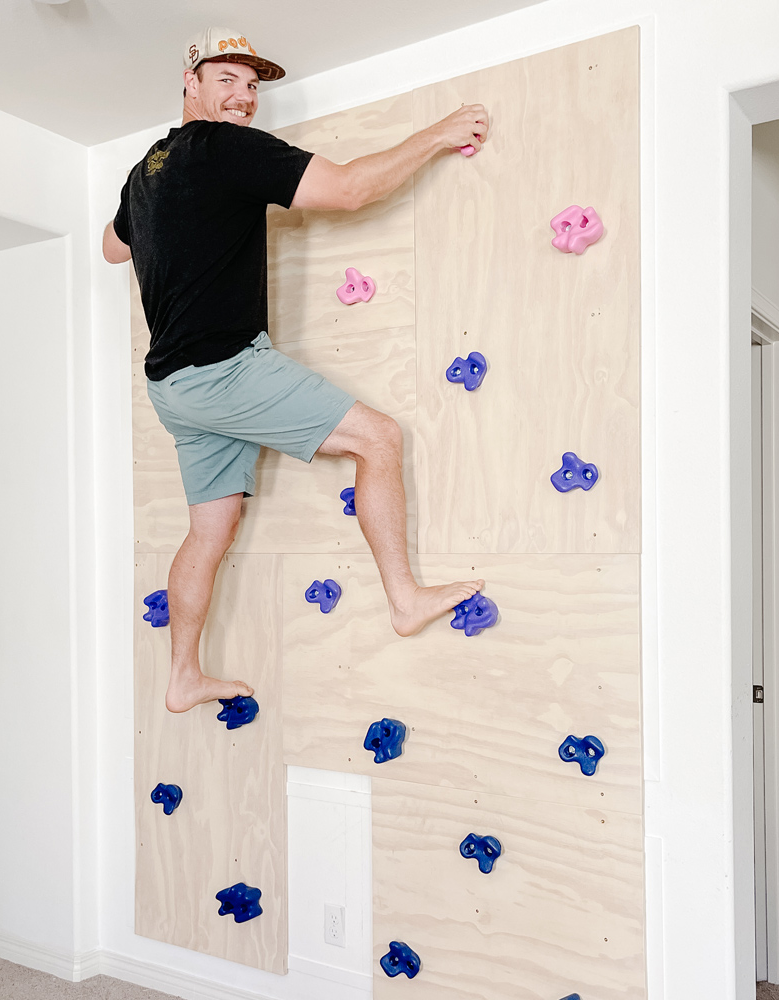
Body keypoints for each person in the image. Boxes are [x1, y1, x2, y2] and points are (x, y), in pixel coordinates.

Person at [104, 28, 490, 713]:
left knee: (208, 530)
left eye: (252, 86)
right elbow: (346, 191)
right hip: (222, 369)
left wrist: (171, 226)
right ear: (189, 83)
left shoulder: (146, 171)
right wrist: (437, 133)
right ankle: (404, 599)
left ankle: (183, 676)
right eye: (226, 79)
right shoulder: (226, 149)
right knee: (379, 439)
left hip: (171, 387)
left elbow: (112, 248)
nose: (244, 97)